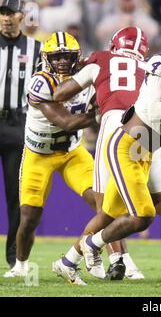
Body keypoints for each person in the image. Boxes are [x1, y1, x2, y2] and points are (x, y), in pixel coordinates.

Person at [63, 24, 161, 281]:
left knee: (107, 208)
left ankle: (117, 259)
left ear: (114, 45)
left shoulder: (103, 59)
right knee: (156, 201)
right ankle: (120, 257)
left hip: (120, 127)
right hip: (146, 131)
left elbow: (67, 92)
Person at [4, 32, 96, 279]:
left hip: (72, 153)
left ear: (76, 56)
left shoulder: (88, 75)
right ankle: (21, 265)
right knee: (30, 217)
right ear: (47, 59)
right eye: (57, 57)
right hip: (39, 154)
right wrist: (98, 115)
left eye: (67, 56)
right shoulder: (41, 82)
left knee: (104, 202)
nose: (63, 62)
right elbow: (66, 122)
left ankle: (115, 258)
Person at [0, 0, 42, 268]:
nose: (5, 18)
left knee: (18, 194)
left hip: (19, 123)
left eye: (10, 13)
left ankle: (16, 257)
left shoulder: (36, 48)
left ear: (21, 17)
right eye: (2, 13)